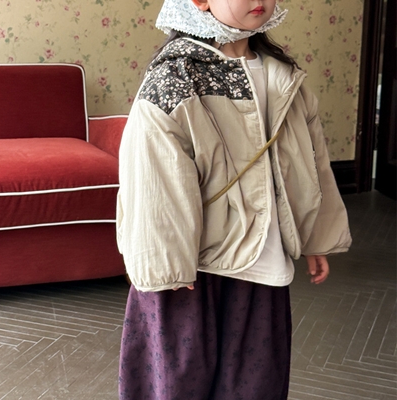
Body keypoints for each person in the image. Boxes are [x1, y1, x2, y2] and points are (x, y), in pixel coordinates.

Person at [116, 0, 352, 399]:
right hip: (193, 271)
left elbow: (313, 162)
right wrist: (167, 267)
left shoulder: (284, 76)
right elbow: (152, 179)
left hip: (264, 264)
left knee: (256, 384)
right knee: (179, 384)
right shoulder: (176, 77)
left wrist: (317, 237)